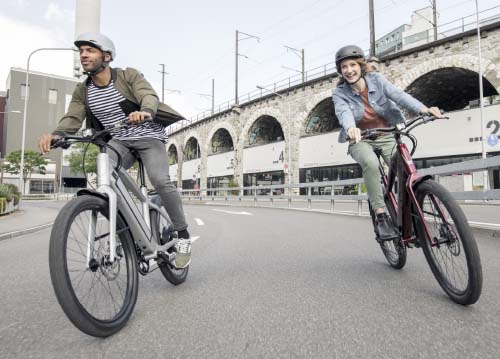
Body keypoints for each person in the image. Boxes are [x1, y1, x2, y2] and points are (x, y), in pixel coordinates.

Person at [38, 32, 192, 268]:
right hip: (119, 141)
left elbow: (147, 94)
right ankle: (126, 228)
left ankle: (182, 236)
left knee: (160, 180)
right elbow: (72, 117)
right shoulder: (83, 91)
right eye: (81, 51)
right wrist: (58, 134)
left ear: (106, 56)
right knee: (103, 176)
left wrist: (145, 111)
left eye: (90, 50)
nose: (83, 55)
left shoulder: (127, 75)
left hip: (147, 136)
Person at [332, 45, 442, 241]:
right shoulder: (339, 93)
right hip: (361, 139)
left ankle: (412, 212)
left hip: (388, 134)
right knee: (371, 164)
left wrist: (423, 109)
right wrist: (350, 128)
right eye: (344, 67)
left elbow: (398, 95)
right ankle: (381, 215)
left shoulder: (376, 80)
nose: (349, 70)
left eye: (352, 65)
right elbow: (343, 112)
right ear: (340, 71)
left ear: (361, 65)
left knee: (405, 170)